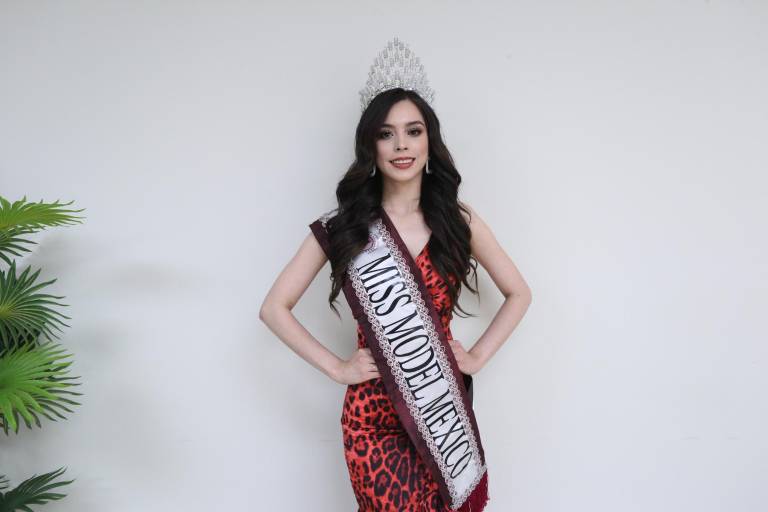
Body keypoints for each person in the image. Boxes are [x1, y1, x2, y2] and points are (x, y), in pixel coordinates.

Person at [260, 38, 532, 512]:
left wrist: (476, 357)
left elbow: (519, 293)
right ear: (371, 145)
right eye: (386, 134)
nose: (401, 145)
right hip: (371, 420)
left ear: (430, 142)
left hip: (439, 412)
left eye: (413, 131)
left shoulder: (458, 221)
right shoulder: (344, 227)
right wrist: (338, 368)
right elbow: (273, 308)